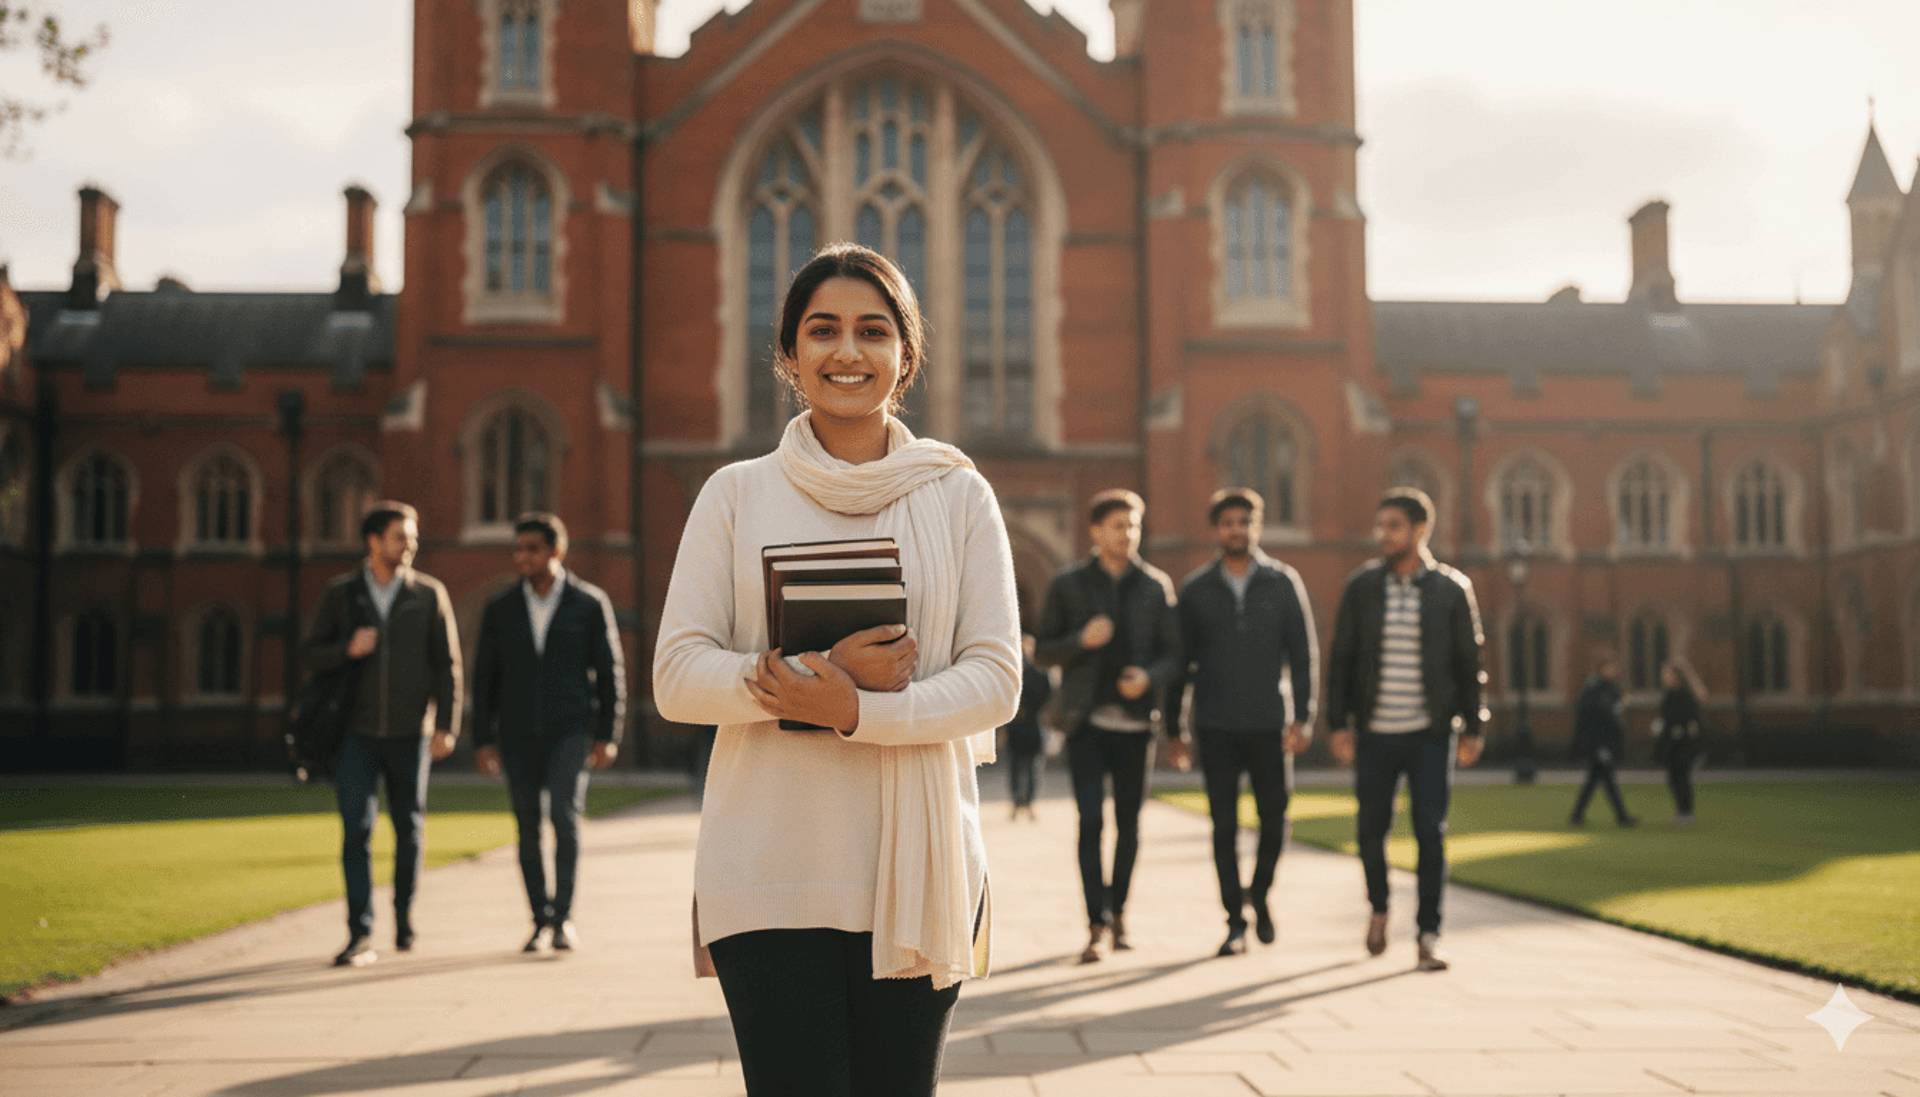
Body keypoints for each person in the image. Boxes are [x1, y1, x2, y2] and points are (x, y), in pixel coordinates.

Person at [652, 243, 1021, 1097]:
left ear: (907, 355)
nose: (847, 351)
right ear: (787, 355)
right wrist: (814, 675)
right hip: (770, 867)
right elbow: (677, 673)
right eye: (822, 330)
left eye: (872, 331)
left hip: (919, 876)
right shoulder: (735, 494)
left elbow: (996, 679)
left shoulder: (960, 497)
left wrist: (855, 709)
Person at [1326, 488, 1486, 973]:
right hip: (1375, 731)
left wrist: (1474, 727)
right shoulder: (1361, 588)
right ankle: (1379, 908)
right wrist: (1337, 724)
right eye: (1380, 526)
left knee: (1430, 834)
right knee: (1370, 832)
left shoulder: (1451, 589)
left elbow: (1469, 663)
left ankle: (1428, 936)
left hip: (1430, 733)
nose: (1382, 535)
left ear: (1419, 530)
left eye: (1392, 526)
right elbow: (1342, 660)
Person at [303, 501, 462, 967]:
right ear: (374, 541)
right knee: (357, 832)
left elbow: (448, 666)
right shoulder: (342, 594)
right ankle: (360, 933)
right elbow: (309, 653)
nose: (410, 544)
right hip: (355, 733)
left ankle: (404, 917)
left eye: (412, 537)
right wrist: (344, 650)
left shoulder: (430, 594)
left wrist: (448, 725)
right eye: (401, 537)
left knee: (410, 830)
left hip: (412, 734)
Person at [1034, 488, 1184, 965]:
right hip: (1086, 723)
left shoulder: (1155, 585)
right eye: (1119, 525)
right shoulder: (1068, 584)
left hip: (1137, 726)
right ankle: (1095, 925)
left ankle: (1119, 914)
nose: (1129, 534)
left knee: (1130, 826)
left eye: (1135, 525)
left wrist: (1150, 678)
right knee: (1092, 822)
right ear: (1096, 531)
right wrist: (1082, 639)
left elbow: (1173, 655)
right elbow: (1042, 652)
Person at [1171, 488, 1317, 958]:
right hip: (1215, 725)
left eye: (1245, 522)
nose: (1237, 529)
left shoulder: (1283, 581)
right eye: (1229, 522)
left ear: (1257, 526)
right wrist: (1176, 730)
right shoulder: (1196, 590)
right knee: (1223, 828)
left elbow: (1303, 654)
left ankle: (1261, 892)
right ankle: (1235, 921)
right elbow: (1179, 665)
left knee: (1276, 822)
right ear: (1216, 530)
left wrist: (1305, 716)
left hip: (1270, 724)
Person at [471, 512, 627, 953]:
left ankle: (563, 919)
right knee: (526, 828)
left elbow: (610, 672)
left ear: (556, 551)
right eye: (518, 549)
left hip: (571, 730)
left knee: (564, 817)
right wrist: (482, 739)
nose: (523, 557)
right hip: (516, 733)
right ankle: (539, 920)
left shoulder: (589, 602)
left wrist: (608, 733)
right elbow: (485, 678)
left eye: (532, 549)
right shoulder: (500, 608)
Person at [1571, 656, 1639, 827]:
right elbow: (1595, 717)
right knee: (1607, 779)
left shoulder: (1610, 688)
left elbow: (1613, 713)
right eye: (1610, 667)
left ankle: (1577, 815)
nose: (1613, 671)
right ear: (1601, 668)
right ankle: (1622, 817)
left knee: (1595, 780)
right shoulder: (1593, 689)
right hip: (1598, 743)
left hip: (1607, 742)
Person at [1005, 634, 1051, 821]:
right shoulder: (1013, 668)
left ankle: (1028, 801)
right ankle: (1018, 801)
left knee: (1031, 766)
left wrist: (1029, 710)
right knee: (1017, 766)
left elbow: (1046, 695)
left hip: (1032, 723)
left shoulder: (1039, 670)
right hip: (1017, 724)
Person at [1653, 659, 1705, 825]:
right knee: (1674, 778)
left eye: (1667, 674)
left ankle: (1687, 812)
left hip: (1683, 744)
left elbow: (1691, 720)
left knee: (1681, 778)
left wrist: (1681, 732)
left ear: (1676, 676)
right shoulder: (1669, 693)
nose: (1665, 677)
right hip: (1670, 743)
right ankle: (1681, 811)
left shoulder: (1684, 694)